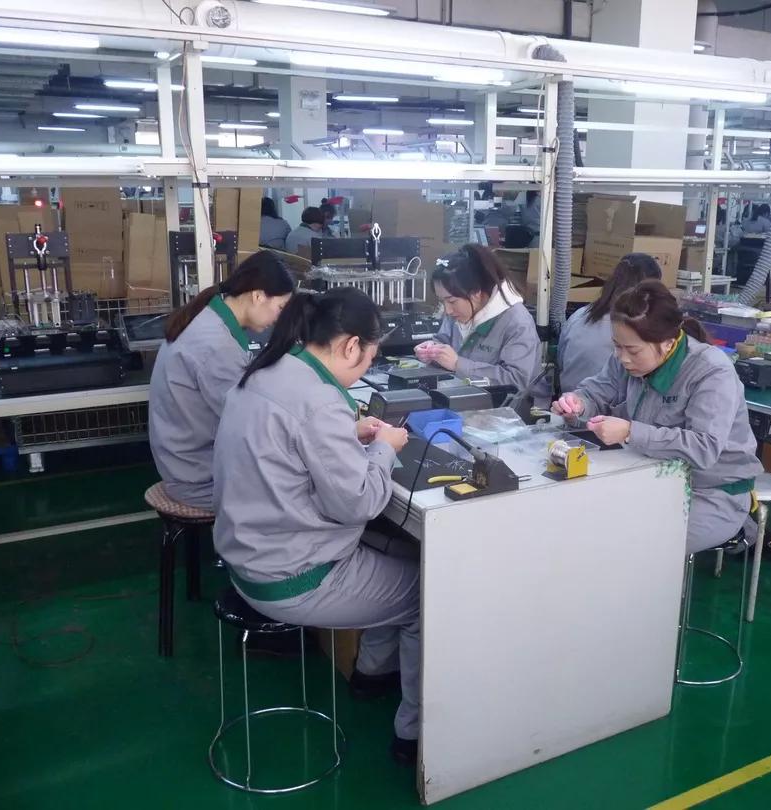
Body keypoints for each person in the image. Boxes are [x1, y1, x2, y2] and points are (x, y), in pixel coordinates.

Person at [212, 287, 420, 764]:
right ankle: (411, 734)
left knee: (405, 555)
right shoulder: (320, 401)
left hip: (246, 558)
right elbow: (360, 504)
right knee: (429, 592)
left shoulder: (268, 371)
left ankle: (372, 674)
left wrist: (348, 433)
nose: (365, 367)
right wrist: (384, 447)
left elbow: (288, 442)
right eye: (369, 358)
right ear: (351, 346)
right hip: (293, 577)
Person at [553, 281, 762, 554]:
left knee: (637, 546)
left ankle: (743, 526)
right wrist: (578, 403)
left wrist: (630, 432)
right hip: (652, 478)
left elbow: (704, 448)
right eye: (617, 346)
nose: (623, 358)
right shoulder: (626, 358)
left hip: (712, 493)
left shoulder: (711, 371)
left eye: (633, 351)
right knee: (588, 523)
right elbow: (597, 391)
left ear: (667, 343)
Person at [148, 251, 295, 510]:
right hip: (199, 479)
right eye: (280, 308)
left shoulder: (209, 318)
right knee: (300, 490)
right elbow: (251, 426)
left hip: (185, 463)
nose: (278, 318)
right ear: (258, 296)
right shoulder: (216, 346)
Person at [414, 244, 540, 390]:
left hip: (511, 403)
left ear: (476, 293)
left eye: (452, 301)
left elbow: (516, 380)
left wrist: (458, 364)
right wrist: (432, 351)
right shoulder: (457, 311)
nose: (447, 310)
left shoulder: (517, 322)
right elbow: (444, 340)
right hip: (463, 393)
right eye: (442, 301)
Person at [555, 253, 662, 395]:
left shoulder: (579, 315)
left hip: (569, 397)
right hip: (600, 402)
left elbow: (561, 361)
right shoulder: (635, 327)